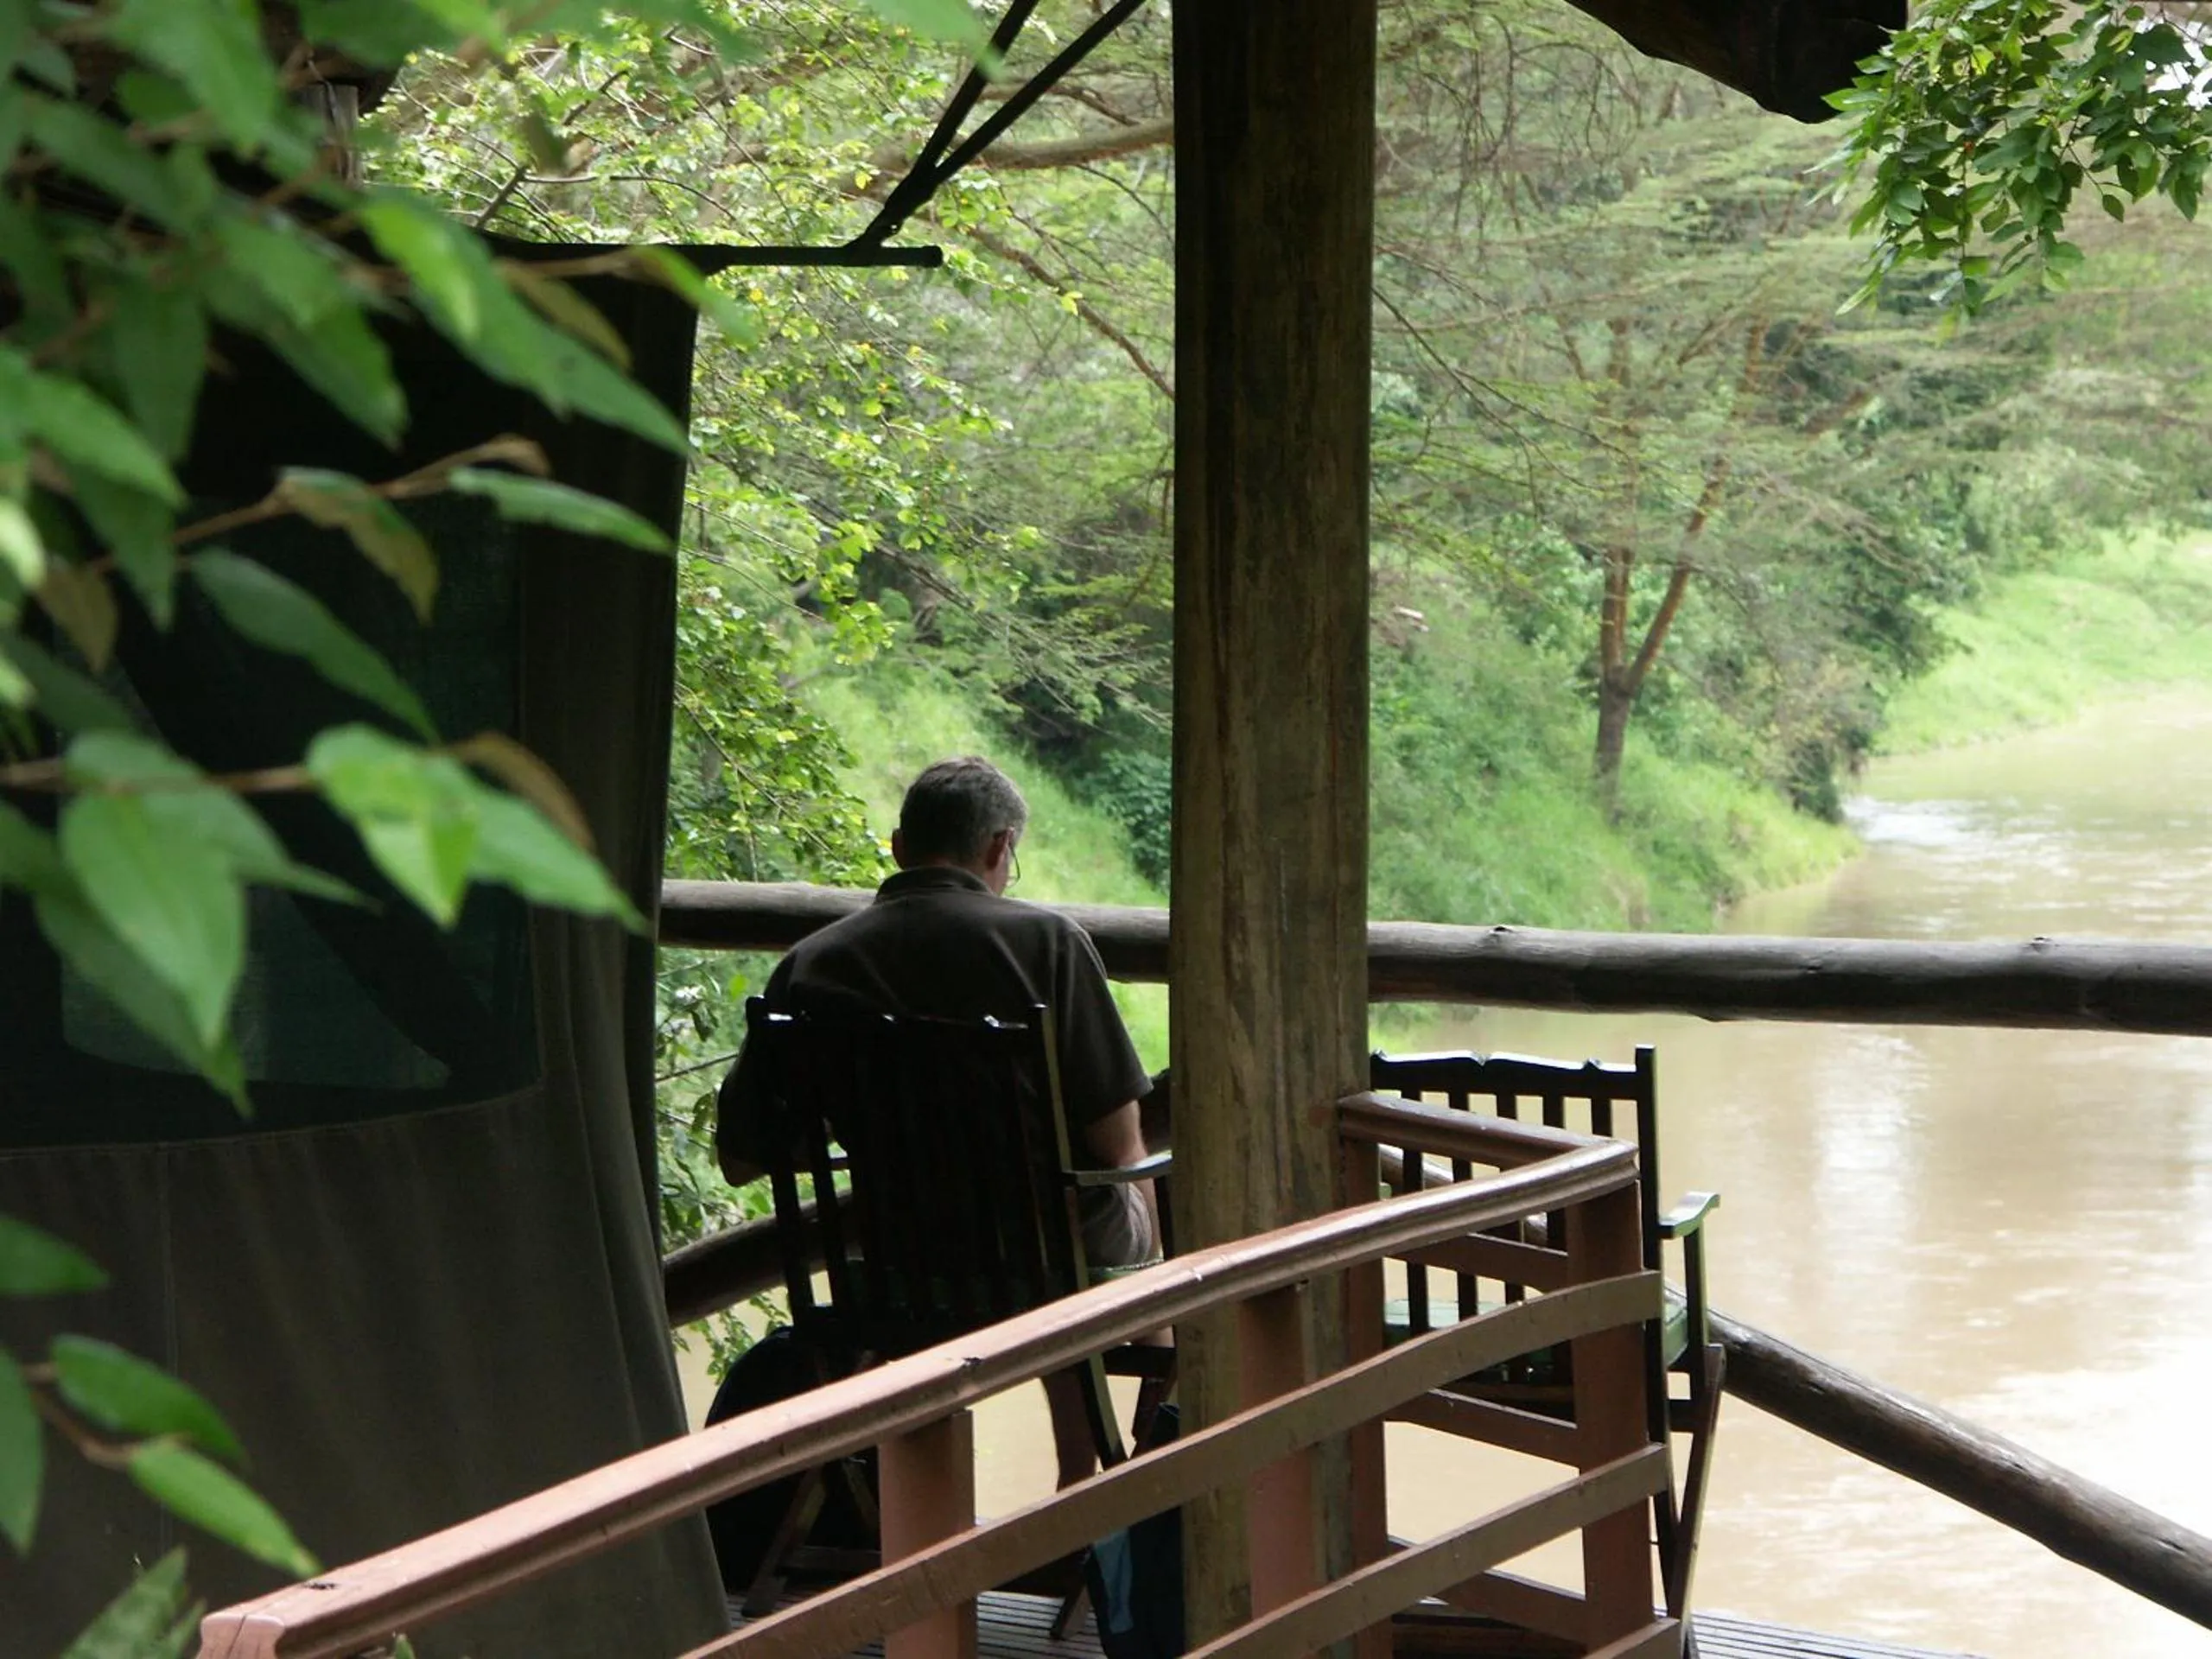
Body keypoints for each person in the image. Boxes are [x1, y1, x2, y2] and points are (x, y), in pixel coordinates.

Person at [717, 755, 1160, 1484]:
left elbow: (743, 1157)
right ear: (998, 849)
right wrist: (1153, 1298)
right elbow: (1118, 1144)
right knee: (1134, 1191)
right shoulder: (1048, 945)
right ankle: (1101, 1476)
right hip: (1047, 1267)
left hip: (901, 1266)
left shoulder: (812, 963)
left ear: (898, 848)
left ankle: (913, 1512)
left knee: (1013, 1242)